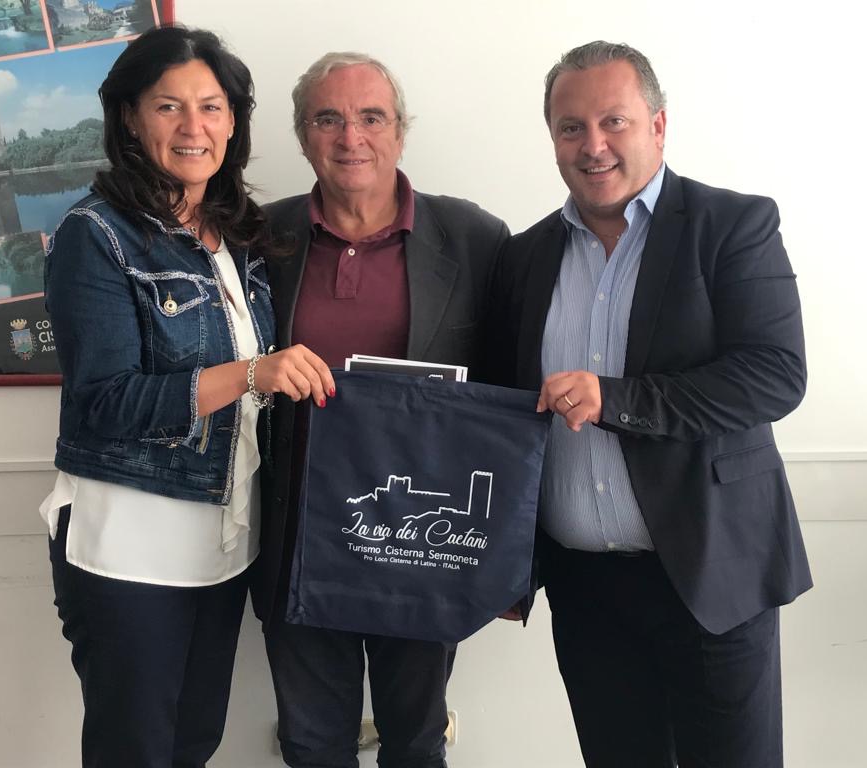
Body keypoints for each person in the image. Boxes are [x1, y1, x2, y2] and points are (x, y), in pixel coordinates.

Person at [487, 41, 812, 768]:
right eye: (571, 127)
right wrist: (504, 560)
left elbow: (775, 374)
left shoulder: (731, 226)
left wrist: (616, 400)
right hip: (585, 591)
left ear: (658, 126)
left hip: (711, 576)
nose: (593, 145)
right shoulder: (525, 256)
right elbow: (506, 413)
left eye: (614, 121)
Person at [41, 26, 333, 768]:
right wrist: (253, 373)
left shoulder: (239, 237)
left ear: (233, 123)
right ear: (130, 117)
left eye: (211, 106)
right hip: (130, 550)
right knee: (136, 752)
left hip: (224, 544)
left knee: (193, 744)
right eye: (168, 106)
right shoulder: (94, 234)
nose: (192, 126)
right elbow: (103, 402)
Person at [252, 52, 509, 768]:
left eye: (372, 117)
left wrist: (504, 555)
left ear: (401, 130)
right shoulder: (259, 238)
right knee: (311, 744)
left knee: (416, 741)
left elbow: (509, 395)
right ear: (302, 135)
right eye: (327, 119)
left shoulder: (476, 238)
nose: (351, 137)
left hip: (423, 541)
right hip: (298, 538)